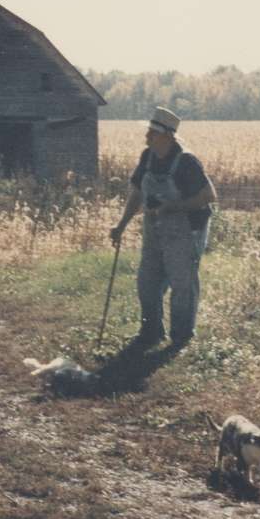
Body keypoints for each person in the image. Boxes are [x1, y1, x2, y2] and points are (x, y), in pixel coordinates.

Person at [110, 107, 217, 351]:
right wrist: (121, 225)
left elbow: (209, 196)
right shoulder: (147, 157)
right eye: (148, 131)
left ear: (168, 135)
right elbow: (137, 192)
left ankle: (180, 338)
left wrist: (172, 207)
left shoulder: (186, 161)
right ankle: (150, 332)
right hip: (155, 229)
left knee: (182, 285)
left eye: (152, 132)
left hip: (186, 231)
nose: (147, 137)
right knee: (147, 281)